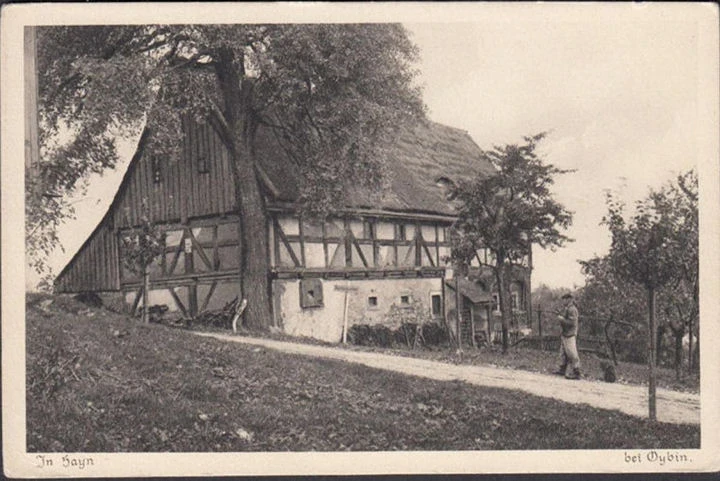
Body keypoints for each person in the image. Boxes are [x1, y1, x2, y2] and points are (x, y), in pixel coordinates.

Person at [555, 293, 581, 380]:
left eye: (564, 299)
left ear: (569, 299)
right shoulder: (568, 309)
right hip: (565, 333)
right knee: (563, 353)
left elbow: (572, 323)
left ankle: (576, 372)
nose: (563, 301)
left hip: (570, 334)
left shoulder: (572, 310)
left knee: (572, 353)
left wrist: (561, 319)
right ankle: (562, 369)